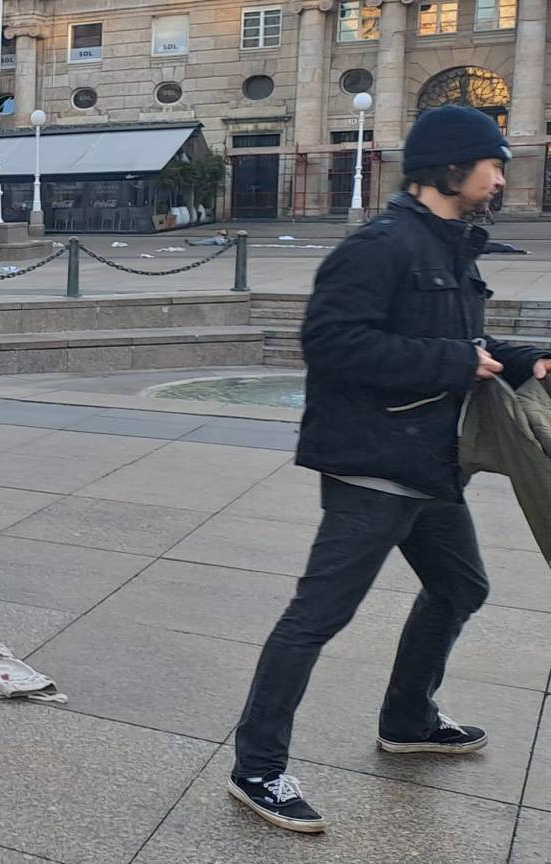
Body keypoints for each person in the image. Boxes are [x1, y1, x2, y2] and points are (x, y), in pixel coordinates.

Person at [227, 105, 551, 834]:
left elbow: (457, 334)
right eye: (492, 163)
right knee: (316, 618)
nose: (502, 176)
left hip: (431, 462)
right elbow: (331, 344)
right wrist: (455, 361)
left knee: (460, 586)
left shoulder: (446, 246)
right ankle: (258, 769)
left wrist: (525, 357)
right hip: (374, 464)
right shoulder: (381, 246)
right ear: (451, 169)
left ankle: (408, 718)